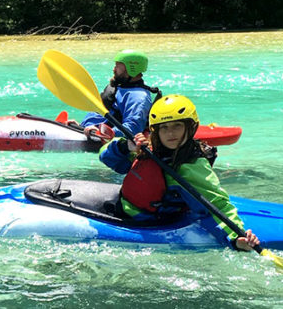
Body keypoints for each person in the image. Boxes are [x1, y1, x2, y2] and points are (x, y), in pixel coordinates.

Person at [99, 94, 259, 251]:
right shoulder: (148, 149)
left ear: (190, 127)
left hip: (151, 222)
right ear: (156, 131)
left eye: (177, 126)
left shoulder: (191, 166)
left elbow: (216, 204)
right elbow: (105, 156)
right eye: (164, 127)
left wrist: (236, 238)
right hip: (124, 207)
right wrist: (124, 147)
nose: (170, 133)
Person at [76, 49, 161, 142]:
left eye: (118, 66)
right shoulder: (117, 87)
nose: (114, 69)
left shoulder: (138, 97)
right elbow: (99, 115)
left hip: (105, 139)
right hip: (87, 132)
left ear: (131, 69)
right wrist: (81, 126)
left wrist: (105, 133)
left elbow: (133, 127)